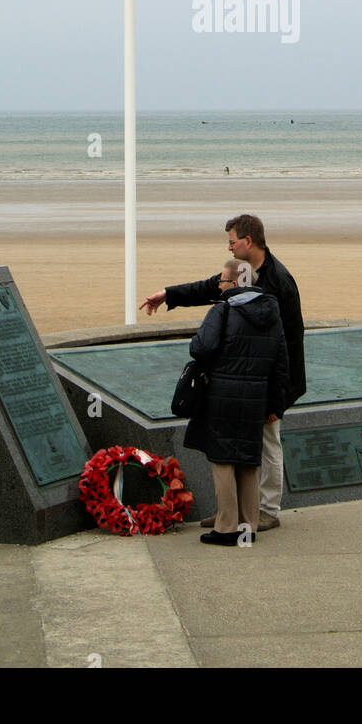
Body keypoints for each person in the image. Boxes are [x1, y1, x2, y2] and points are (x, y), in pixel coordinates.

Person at [140, 214, 306, 531]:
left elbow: (291, 345)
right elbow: (209, 288)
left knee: (268, 443)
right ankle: (230, 514)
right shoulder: (239, 273)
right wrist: (169, 294)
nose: (229, 247)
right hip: (238, 383)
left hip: (268, 385)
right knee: (230, 445)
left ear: (248, 241)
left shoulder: (279, 281)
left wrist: (278, 400)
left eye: (232, 241)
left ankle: (267, 510)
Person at [184, 281, 288, 546]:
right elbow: (281, 364)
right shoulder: (272, 313)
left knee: (222, 461)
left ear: (230, 283)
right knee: (249, 462)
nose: (219, 286)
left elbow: (201, 348)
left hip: (223, 396)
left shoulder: (223, 310)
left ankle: (227, 527)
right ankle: (248, 527)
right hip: (256, 399)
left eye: (220, 282)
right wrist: (275, 406)